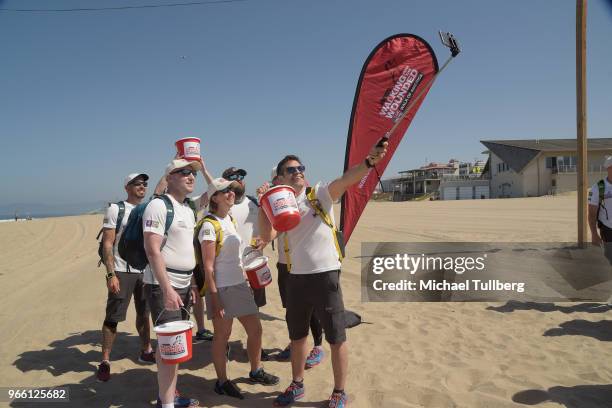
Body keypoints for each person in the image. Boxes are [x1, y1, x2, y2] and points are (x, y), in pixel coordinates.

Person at [259, 140, 387, 408]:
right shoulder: (281, 206)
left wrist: (368, 162)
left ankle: (339, 391)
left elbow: (345, 180)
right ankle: (297, 385)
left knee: (336, 337)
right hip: (295, 278)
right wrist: (264, 202)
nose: (298, 173)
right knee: (297, 337)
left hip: (325, 276)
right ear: (280, 178)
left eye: (300, 168)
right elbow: (268, 234)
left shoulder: (318, 194)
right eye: (291, 170)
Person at [199, 178, 280, 400]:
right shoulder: (209, 225)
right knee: (222, 336)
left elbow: (232, 255)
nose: (231, 193)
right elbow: (208, 267)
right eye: (225, 191)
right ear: (214, 197)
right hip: (221, 289)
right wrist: (215, 300)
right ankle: (222, 382)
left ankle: (255, 371)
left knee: (256, 330)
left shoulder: (230, 219)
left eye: (232, 191)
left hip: (239, 285)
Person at [143, 159, 202, 408]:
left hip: (184, 284)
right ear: (169, 177)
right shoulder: (158, 206)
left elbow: (186, 249)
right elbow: (152, 249)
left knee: (172, 346)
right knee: (171, 346)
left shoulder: (187, 208)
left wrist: (194, 285)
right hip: (163, 285)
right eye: (184, 172)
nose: (191, 176)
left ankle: (167, 396)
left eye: (193, 173)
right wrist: (167, 289)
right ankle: (167, 403)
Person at [97, 173, 154, 383]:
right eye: (137, 183)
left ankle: (146, 350)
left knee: (144, 312)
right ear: (127, 187)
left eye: (144, 183)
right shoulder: (116, 209)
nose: (142, 186)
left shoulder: (149, 208)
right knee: (113, 316)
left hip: (144, 270)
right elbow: (108, 243)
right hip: (121, 269)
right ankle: (104, 361)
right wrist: (111, 273)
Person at [268, 166, 324, 368]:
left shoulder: (303, 200)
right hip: (285, 264)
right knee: (291, 310)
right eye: (275, 179)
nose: (277, 183)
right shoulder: (274, 203)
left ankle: (317, 346)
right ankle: (296, 344)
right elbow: (273, 231)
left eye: (279, 178)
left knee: (313, 310)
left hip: (305, 265)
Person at [221, 166, 270, 359]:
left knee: (254, 311)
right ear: (224, 181)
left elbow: (265, 229)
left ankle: (256, 349)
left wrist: (263, 240)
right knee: (228, 315)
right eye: (233, 176)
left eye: (241, 175)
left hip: (253, 266)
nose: (239, 179)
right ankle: (223, 347)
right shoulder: (221, 204)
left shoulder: (253, 203)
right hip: (229, 269)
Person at [589, 156, 612, 262]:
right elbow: (592, 213)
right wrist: (594, 234)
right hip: (607, 230)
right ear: (608, 168)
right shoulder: (599, 187)